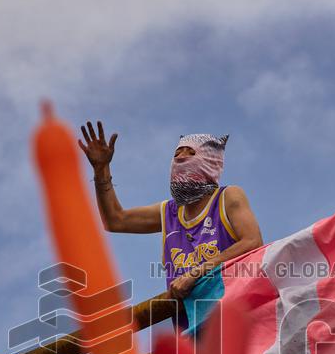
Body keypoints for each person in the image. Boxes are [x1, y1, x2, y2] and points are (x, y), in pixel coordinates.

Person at [78, 121, 263, 303]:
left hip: (234, 312)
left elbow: (253, 242)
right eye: (177, 153)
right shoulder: (169, 211)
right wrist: (101, 170)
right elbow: (115, 220)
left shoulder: (228, 197)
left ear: (211, 162)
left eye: (191, 152)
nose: (181, 157)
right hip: (190, 319)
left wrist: (196, 273)